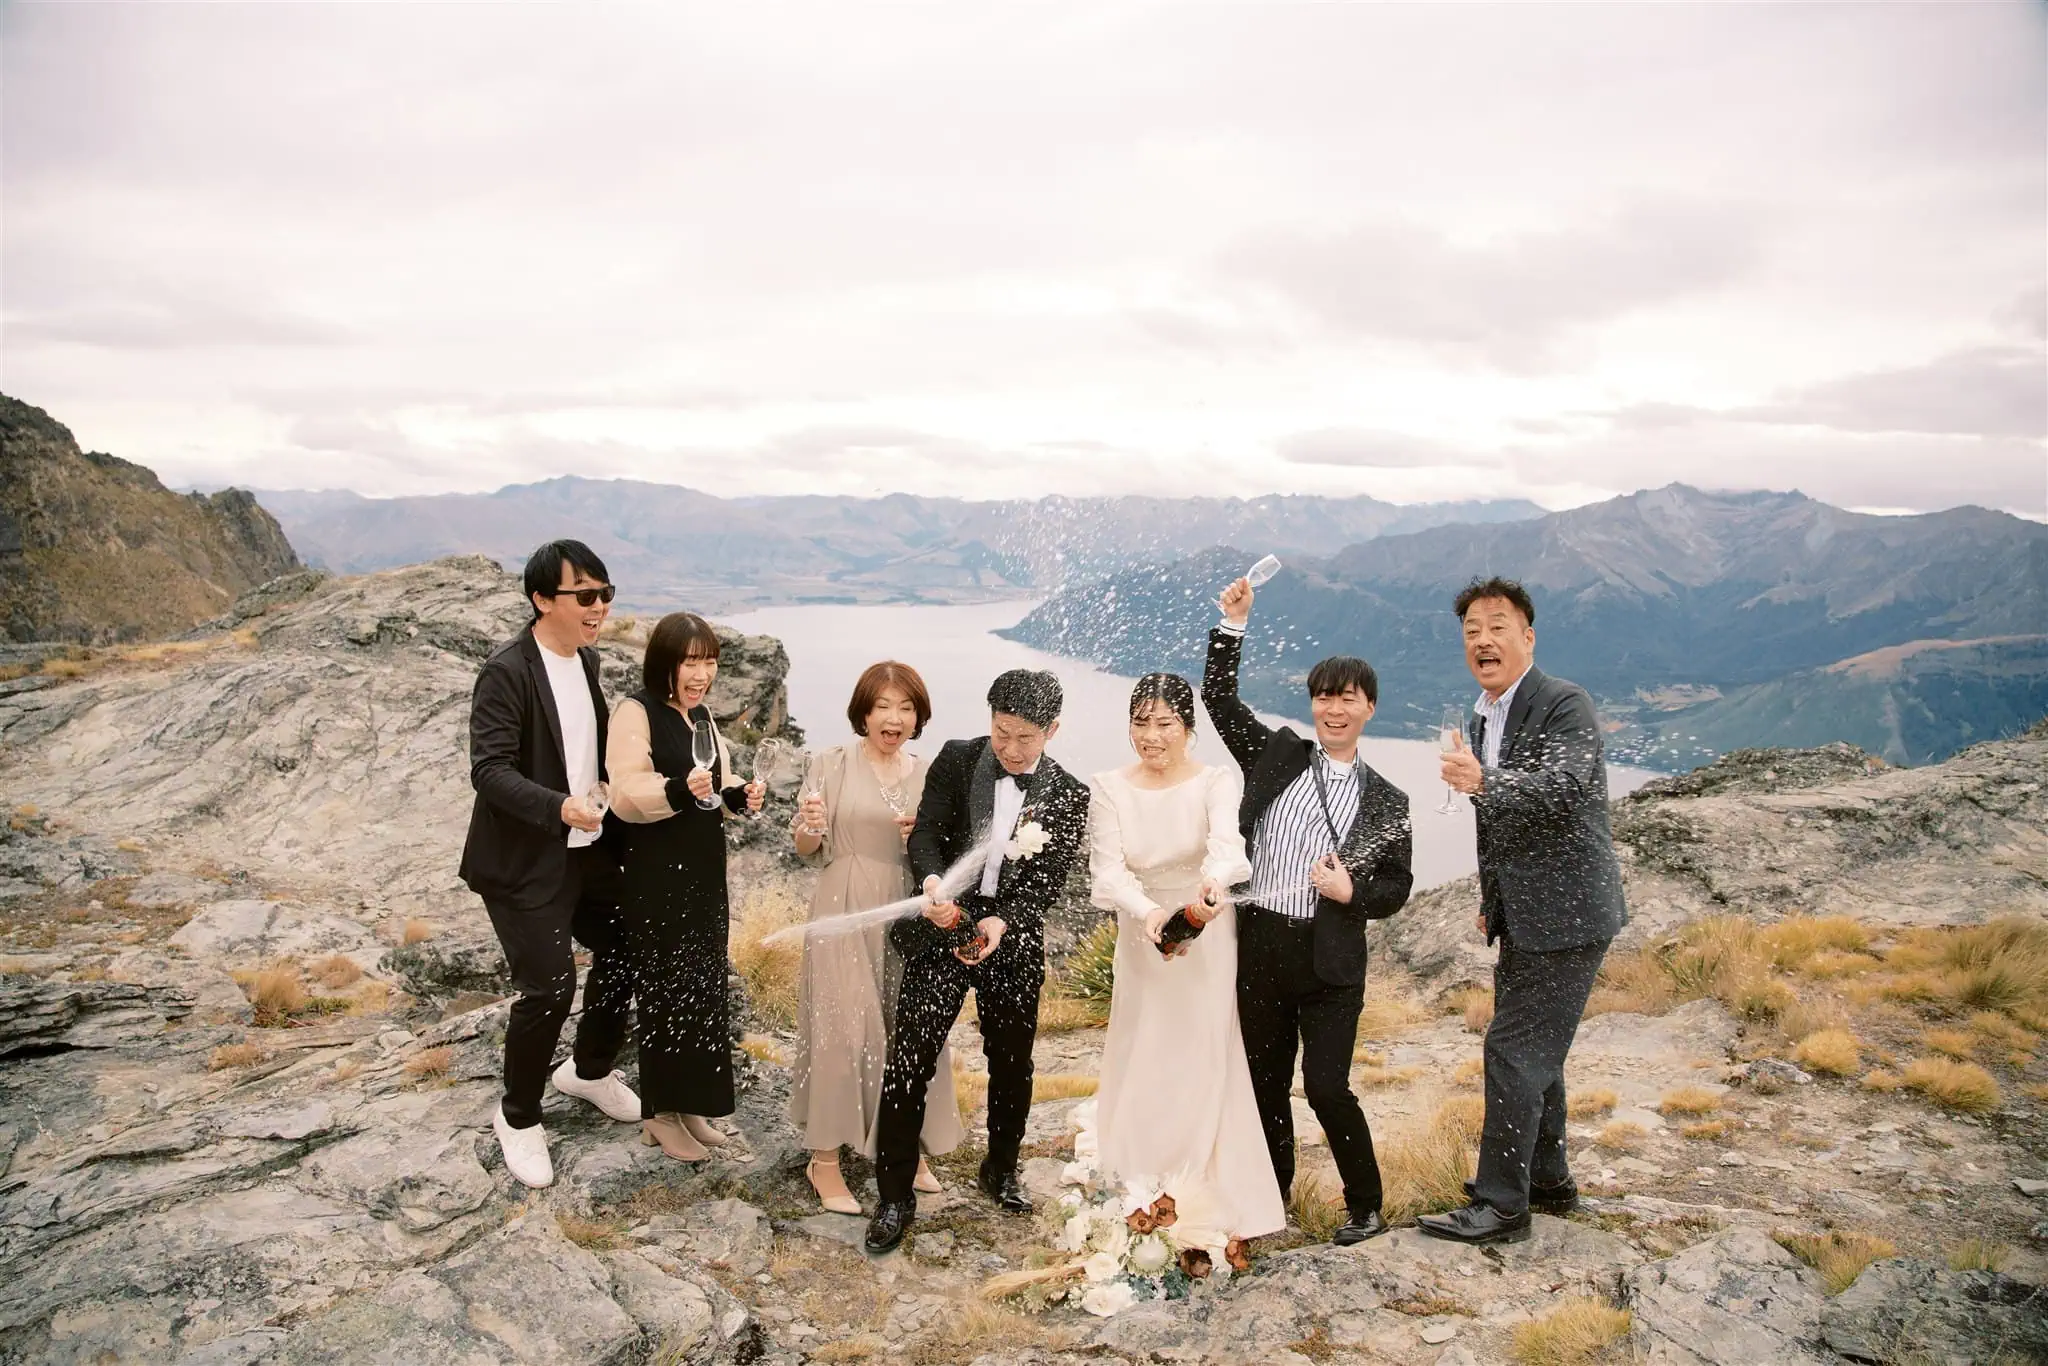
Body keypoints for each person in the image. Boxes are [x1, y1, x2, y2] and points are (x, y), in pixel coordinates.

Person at [1202, 575, 1414, 1245]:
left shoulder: (1389, 801)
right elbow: (1218, 700)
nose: (1333, 709)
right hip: (1260, 945)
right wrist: (1233, 626)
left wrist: (1354, 894)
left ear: (1369, 708)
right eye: (1323, 697)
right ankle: (1272, 1203)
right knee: (1264, 1088)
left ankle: (1367, 1204)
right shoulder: (1279, 755)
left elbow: (1397, 887)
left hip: (1331, 963)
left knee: (1326, 1088)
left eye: (1346, 698)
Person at [1419, 577, 1627, 1246]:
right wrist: (1492, 900)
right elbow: (1497, 822)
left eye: (1498, 626)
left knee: (1512, 1049)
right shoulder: (1486, 715)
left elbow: (1566, 788)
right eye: (1473, 629)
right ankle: (1549, 1180)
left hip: (1570, 914)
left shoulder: (1564, 703)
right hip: (1528, 913)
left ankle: (1502, 1204)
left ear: (1527, 637)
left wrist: (1485, 779)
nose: (1483, 639)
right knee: (1542, 1053)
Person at [863, 669, 1091, 1255]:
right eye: (1001, 733)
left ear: (1053, 730)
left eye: (1025, 738)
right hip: (943, 925)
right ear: (989, 721)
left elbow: (1047, 880)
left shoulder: (1069, 794)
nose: (1011, 750)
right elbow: (927, 835)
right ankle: (894, 1193)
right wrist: (935, 886)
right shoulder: (958, 759)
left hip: (1009, 940)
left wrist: (1004, 919)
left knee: (1012, 1060)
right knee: (910, 1057)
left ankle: (1002, 1168)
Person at [458, 539, 642, 1190]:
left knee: (629, 945)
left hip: (586, 851)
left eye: (606, 594)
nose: (600, 607)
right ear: (542, 599)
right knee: (549, 988)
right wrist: (560, 807)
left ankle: (586, 1072)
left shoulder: (583, 663)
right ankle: (517, 1115)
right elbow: (489, 771)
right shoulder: (508, 671)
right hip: (524, 860)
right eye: (585, 596)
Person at [1088, 673, 1284, 1244]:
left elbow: (1228, 850)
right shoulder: (1109, 786)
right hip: (1141, 932)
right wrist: (1148, 914)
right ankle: (1138, 1181)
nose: (1151, 736)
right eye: (1140, 723)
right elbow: (1108, 870)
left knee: (1201, 1050)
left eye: (1165, 723)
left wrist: (1210, 887)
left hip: (1206, 932)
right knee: (1142, 1043)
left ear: (1188, 729)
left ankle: (1199, 1185)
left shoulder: (1215, 781)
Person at [788, 661, 962, 1215]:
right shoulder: (831, 764)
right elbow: (806, 849)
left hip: (907, 913)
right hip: (844, 904)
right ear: (864, 711)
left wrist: (924, 842)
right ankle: (825, 1160)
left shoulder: (930, 773)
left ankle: (907, 1147)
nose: (895, 717)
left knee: (908, 1029)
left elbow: (945, 854)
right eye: (883, 705)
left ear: (919, 716)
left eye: (906, 707)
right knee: (842, 1027)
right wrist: (811, 825)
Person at [608, 612, 765, 1162]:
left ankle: (689, 1106)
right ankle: (658, 1114)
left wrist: (740, 794)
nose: (702, 674)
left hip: (701, 871)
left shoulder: (699, 717)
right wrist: (678, 788)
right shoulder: (636, 710)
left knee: (701, 988)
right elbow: (625, 791)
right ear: (665, 662)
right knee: (666, 990)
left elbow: (717, 781)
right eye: (690, 661)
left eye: (709, 662)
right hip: (656, 872)